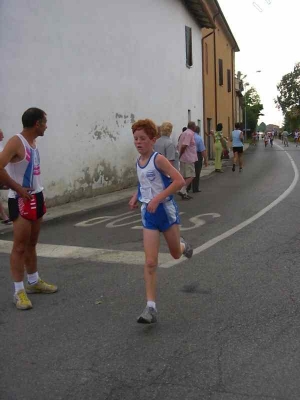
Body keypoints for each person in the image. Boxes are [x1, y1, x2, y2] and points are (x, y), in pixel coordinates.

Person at [129, 119, 193, 324]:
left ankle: (183, 245)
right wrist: (136, 195)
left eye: (143, 139)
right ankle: (150, 308)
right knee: (150, 261)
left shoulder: (159, 159)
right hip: (148, 214)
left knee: (175, 254)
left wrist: (157, 199)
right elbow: (145, 183)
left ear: (153, 140)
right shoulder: (138, 162)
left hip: (165, 210)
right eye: (136, 139)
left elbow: (179, 181)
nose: (138, 142)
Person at [0, 108, 58, 310]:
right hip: (20, 198)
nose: (46, 126)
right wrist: (16, 188)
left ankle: (34, 282)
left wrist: (40, 195)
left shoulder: (34, 142)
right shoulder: (17, 141)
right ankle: (18, 291)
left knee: (32, 243)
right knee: (19, 246)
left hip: (36, 196)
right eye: (45, 122)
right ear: (37, 124)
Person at [177, 121, 198, 199]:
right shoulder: (189, 134)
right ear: (193, 127)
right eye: (195, 126)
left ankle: (184, 193)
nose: (196, 127)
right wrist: (181, 154)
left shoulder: (184, 133)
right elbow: (184, 145)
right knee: (191, 175)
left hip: (184, 158)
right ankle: (182, 190)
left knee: (184, 176)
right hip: (188, 158)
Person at [187, 126, 208, 193]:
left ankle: (187, 187)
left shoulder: (189, 136)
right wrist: (205, 160)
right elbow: (202, 150)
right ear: (198, 131)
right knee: (197, 172)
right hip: (197, 155)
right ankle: (195, 188)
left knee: (189, 172)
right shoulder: (199, 138)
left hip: (189, 155)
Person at [0, 129, 11, 224]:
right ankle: (4, 215)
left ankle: (4, 215)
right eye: (1, 134)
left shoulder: (1, 145)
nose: (3, 136)